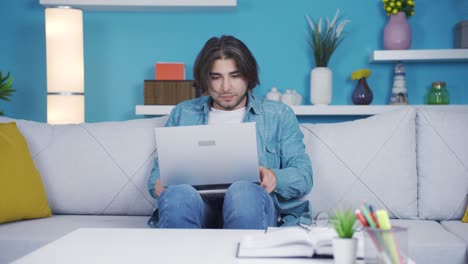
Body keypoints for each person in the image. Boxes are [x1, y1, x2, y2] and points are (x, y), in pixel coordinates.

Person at [147, 35, 312, 229]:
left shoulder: (279, 115)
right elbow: (157, 176)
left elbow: (304, 176)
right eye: (216, 77)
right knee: (177, 195)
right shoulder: (183, 113)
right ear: (205, 79)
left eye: (235, 76)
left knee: (244, 192)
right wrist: (158, 184)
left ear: (248, 76)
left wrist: (273, 176)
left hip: (250, 205)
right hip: (198, 207)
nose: (226, 87)